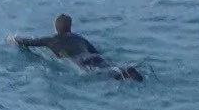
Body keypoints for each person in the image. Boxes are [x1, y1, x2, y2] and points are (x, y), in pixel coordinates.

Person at [10, 15, 144, 81]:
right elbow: (97, 52)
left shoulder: (51, 40)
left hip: (81, 62)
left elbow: (28, 42)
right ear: (70, 27)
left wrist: (13, 39)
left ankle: (124, 73)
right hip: (94, 57)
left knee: (105, 73)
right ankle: (126, 71)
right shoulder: (80, 38)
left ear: (55, 28)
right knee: (109, 67)